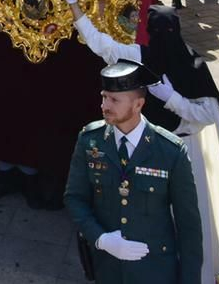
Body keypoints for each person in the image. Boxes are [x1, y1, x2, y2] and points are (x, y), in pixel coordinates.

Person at [67, 0, 219, 282]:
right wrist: (73, 4)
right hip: (148, 150)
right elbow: (100, 44)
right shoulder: (141, 56)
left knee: (188, 224)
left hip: (185, 151)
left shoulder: (194, 65)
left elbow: (207, 115)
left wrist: (172, 99)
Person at [63, 62, 201, 284]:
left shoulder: (170, 152)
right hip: (108, 269)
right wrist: (101, 239)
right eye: (104, 97)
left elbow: (189, 227)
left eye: (114, 100)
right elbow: (74, 198)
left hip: (155, 271)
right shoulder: (90, 141)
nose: (104, 105)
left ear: (138, 104)